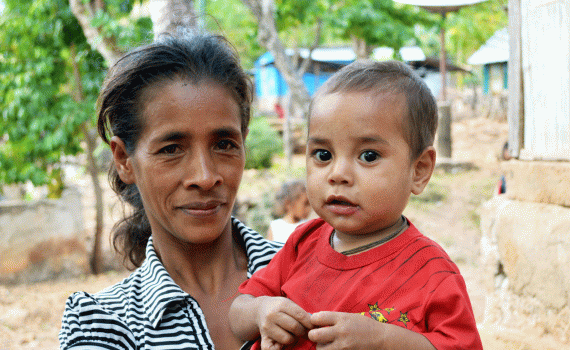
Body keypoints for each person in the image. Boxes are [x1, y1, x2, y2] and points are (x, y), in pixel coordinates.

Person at [229, 60, 483, 350]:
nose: (337, 174)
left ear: (419, 170)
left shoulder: (432, 274)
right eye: (323, 154)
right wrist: (262, 311)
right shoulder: (302, 243)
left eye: (369, 156)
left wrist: (384, 340)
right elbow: (238, 313)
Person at [58, 31, 282, 350]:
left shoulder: (317, 268)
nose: (205, 177)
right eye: (171, 149)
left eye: (224, 144)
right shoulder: (103, 324)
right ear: (124, 160)